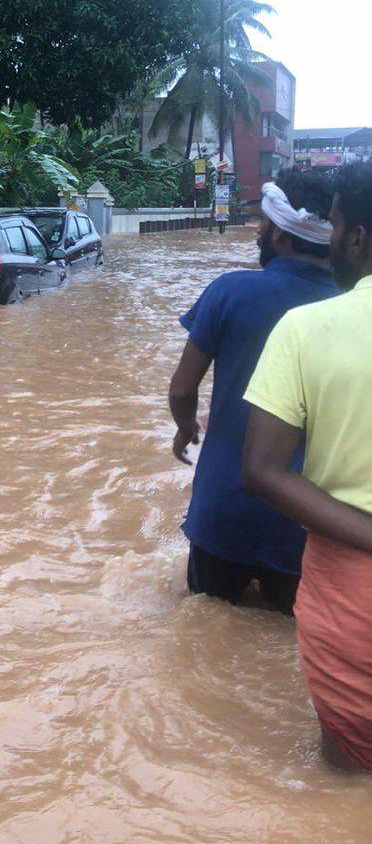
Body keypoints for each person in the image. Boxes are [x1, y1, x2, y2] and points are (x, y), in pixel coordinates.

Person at [243, 163, 372, 771]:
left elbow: (263, 469)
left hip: (353, 586)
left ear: (356, 237)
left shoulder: (306, 329)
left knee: (346, 773)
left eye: (339, 222)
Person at [168, 169, 338, 612]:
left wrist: (186, 428)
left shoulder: (230, 292)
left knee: (202, 639)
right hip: (309, 522)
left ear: (279, 236)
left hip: (223, 512)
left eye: (263, 226)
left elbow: (183, 388)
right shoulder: (350, 306)